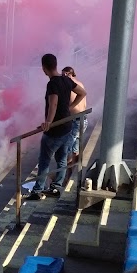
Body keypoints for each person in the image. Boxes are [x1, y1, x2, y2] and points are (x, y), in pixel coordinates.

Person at [27, 54, 86, 200]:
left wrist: (48, 122)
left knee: (44, 161)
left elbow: (53, 103)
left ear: (44, 68)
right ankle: (56, 187)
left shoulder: (52, 84)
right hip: (67, 126)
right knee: (62, 158)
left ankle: (37, 190)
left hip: (55, 129)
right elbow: (82, 93)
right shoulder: (66, 80)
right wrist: (69, 107)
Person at [62, 66, 88, 166]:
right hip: (83, 119)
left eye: (62, 74)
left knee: (67, 148)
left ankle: (65, 174)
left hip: (76, 121)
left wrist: (68, 108)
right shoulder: (80, 83)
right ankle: (72, 172)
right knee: (75, 148)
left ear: (67, 74)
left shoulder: (69, 85)